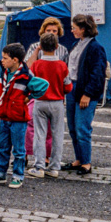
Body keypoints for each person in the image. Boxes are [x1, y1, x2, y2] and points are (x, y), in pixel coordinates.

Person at [0, 43, 49, 189]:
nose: (2, 60)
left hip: (18, 118)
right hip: (4, 116)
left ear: (15, 60)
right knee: (1, 147)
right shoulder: (4, 73)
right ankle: (0, 173)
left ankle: (18, 175)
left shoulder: (26, 76)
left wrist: (29, 97)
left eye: (5, 58)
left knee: (19, 149)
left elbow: (44, 85)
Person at [62, 14, 106, 175]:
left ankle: (86, 162)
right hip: (72, 88)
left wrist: (88, 94)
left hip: (85, 90)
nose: (72, 30)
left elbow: (97, 74)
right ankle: (79, 159)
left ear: (83, 29)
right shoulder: (76, 44)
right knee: (73, 127)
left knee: (82, 128)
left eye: (74, 28)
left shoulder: (95, 48)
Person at [26, 33, 72, 178]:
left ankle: (39, 166)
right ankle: (54, 167)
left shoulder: (37, 65)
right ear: (57, 46)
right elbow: (68, 86)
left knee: (39, 134)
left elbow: (30, 82)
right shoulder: (62, 65)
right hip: (57, 102)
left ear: (40, 47)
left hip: (40, 102)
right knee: (57, 135)